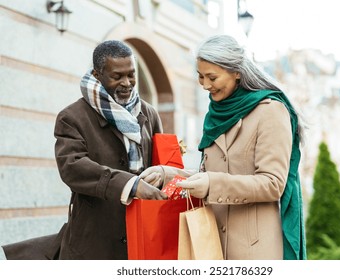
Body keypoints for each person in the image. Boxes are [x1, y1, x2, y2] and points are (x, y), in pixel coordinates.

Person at [140, 35, 306, 260]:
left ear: (236, 72)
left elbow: (273, 183)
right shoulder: (216, 114)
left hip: (255, 250)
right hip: (211, 244)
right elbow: (209, 176)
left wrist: (212, 184)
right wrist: (168, 174)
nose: (205, 85)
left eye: (212, 77)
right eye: (200, 77)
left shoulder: (270, 111)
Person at [54, 40, 167, 260]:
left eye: (131, 75)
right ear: (97, 75)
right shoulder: (72, 117)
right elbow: (72, 168)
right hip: (95, 242)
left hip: (144, 234)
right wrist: (131, 185)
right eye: (117, 76)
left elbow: (160, 160)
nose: (127, 83)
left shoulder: (149, 113)